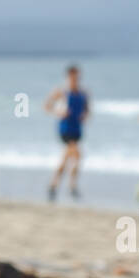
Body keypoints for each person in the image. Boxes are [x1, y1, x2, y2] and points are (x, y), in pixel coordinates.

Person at [44, 65, 89, 201]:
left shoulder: (83, 93)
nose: (74, 80)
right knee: (77, 155)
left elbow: (87, 110)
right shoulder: (62, 91)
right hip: (65, 129)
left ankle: (53, 186)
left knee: (66, 160)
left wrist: (84, 115)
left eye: (77, 77)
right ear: (67, 77)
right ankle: (72, 186)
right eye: (72, 77)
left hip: (77, 130)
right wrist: (59, 112)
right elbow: (47, 106)